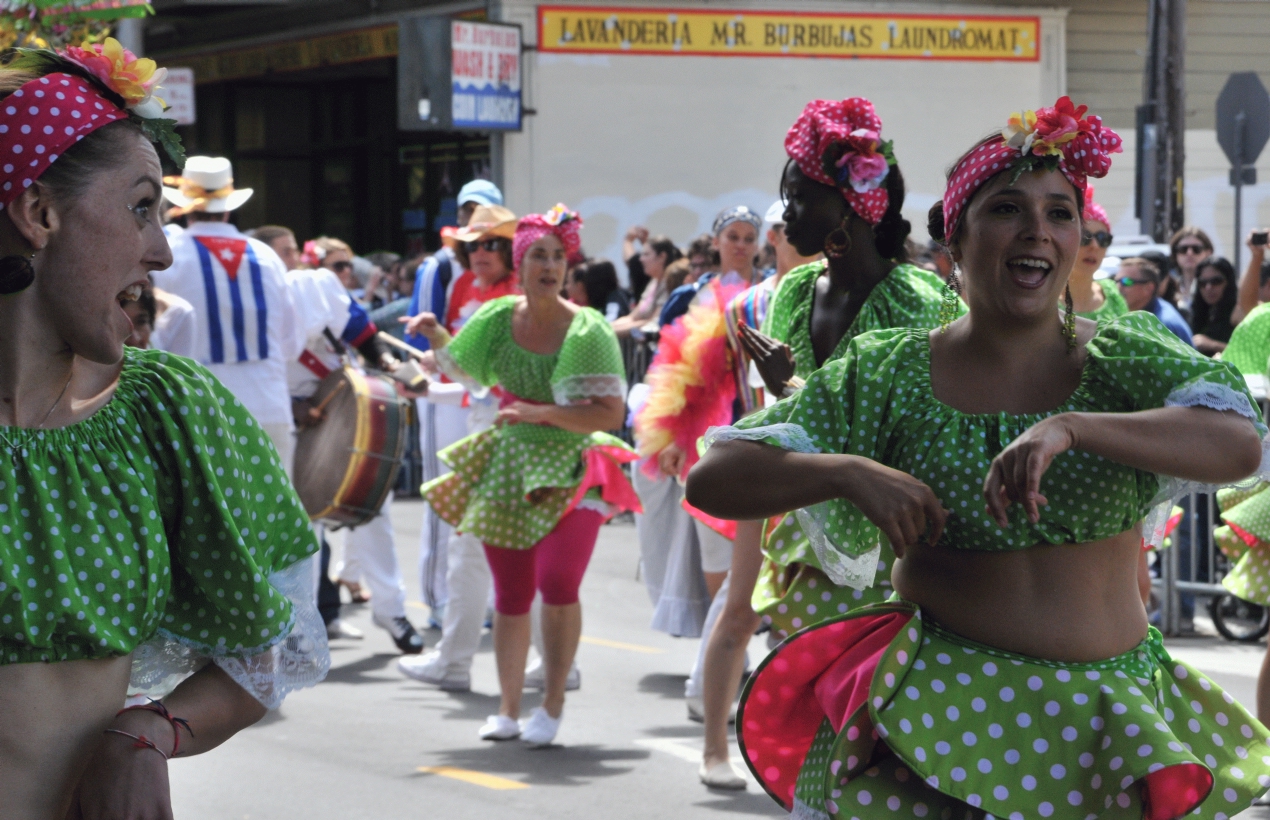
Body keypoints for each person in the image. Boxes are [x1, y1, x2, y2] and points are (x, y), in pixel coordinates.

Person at [688, 95, 1270, 820]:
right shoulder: (889, 370)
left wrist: (1074, 429)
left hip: (1101, 727)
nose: (1039, 232)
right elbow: (716, 477)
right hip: (933, 719)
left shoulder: (1126, 357)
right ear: (954, 242)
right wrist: (845, 469)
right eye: (1006, 210)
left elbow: (1236, 442)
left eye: (1061, 213)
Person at [0, 41, 328, 817]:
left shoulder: (164, 413)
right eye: (141, 207)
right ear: (39, 213)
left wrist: (149, 731)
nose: (162, 249)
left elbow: (268, 644)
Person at [694, 98, 953, 791]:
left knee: (891, 739)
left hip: (903, 545)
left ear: (852, 208)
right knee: (820, 720)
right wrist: (784, 388)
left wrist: (791, 384)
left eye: (799, 197)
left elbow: (919, 434)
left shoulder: (922, 304)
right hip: (813, 528)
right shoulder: (797, 286)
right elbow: (804, 417)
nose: (784, 216)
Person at [407, 205, 639, 746]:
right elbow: (470, 374)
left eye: (559, 256)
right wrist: (439, 337)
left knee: (558, 583)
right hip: (511, 463)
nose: (551, 265)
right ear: (522, 261)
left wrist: (541, 413)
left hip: (576, 464)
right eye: (540, 254)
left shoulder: (588, 328)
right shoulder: (496, 317)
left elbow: (607, 414)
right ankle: (508, 710)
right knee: (510, 594)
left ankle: (552, 704)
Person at [398, 203, 522, 692]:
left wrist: (440, 348)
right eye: (473, 245)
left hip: (508, 433)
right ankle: (554, 664)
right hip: (491, 424)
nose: (480, 254)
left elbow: (481, 378)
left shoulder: (512, 299)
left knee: (472, 549)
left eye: (492, 244)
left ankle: (454, 663)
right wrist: (431, 381)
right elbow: (477, 384)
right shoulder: (468, 289)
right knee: (497, 549)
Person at [286, 264, 425, 653]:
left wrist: (390, 365)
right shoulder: (262, 305)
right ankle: (301, 627)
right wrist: (293, 406)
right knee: (304, 526)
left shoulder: (318, 285)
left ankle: (390, 609)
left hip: (351, 409)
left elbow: (364, 335)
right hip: (299, 425)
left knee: (374, 513)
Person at [153, 155, 305, 472]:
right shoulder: (266, 256)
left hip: (198, 411)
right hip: (268, 408)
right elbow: (292, 344)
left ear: (186, 206)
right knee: (271, 518)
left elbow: (154, 339)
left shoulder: (169, 255)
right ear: (229, 205)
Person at [1067, 188, 1126, 319]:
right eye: (1085, 237)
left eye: (1103, 238)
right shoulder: (1045, 299)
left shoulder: (1112, 295)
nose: (1094, 246)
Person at [612, 234, 681, 337]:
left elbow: (653, 322)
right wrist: (605, 327)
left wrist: (608, 332)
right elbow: (632, 317)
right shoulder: (654, 282)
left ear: (662, 256)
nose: (641, 259)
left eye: (646, 254)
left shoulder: (669, 283)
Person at [1117, 256, 1193, 343]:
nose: (1118, 287)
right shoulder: (1140, 314)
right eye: (1116, 281)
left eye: (1126, 281)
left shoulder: (1163, 324)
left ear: (1149, 288)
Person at [1190, 256, 1239, 356]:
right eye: (1202, 283)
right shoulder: (1197, 312)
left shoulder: (1238, 312)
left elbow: (1248, 351)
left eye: (1216, 281)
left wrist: (1213, 345)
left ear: (1228, 282)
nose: (1208, 287)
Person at [1169, 226, 1215, 317]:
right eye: (1183, 249)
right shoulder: (1168, 287)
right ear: (1175, 254)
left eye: (1196, 249)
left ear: (1208, 252)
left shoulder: (1215, 284)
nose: (1189, 253)